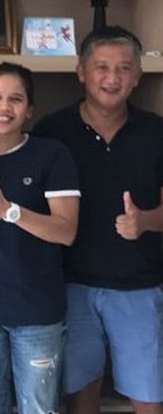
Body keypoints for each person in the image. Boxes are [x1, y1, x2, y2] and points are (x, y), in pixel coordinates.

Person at [33, 26, 163, 414]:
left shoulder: (156, 131)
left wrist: (146, 221)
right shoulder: (52, 132)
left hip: (140, 287)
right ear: (81, 72)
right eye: (102, 67)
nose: (113, 78)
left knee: (150, 396)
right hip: (72, 286)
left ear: (137, 76)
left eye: (124, 68)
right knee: (79, 396)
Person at [0, 62, 80, 414]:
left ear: (30, 109)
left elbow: (66, 231)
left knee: (39, 408)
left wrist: (11, 210)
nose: (4, 108)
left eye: (16, 99)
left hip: (38, 315)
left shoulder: (51, 154)